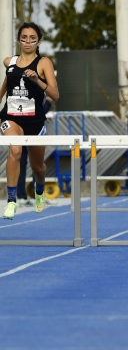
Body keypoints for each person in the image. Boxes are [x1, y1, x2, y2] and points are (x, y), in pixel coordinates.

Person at [1, 23, 59, 220]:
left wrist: (37, 81)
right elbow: (6, 85)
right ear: (19, 40)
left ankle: (39, 191)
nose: (27, 41)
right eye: (24, 37)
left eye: (32, 38)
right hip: (10, 117)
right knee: (15, 150)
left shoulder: (44, 63)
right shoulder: (9, 62)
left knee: (37, 167)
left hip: (34, 121)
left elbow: (55, 94)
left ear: (38, 41)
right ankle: (11, 201)